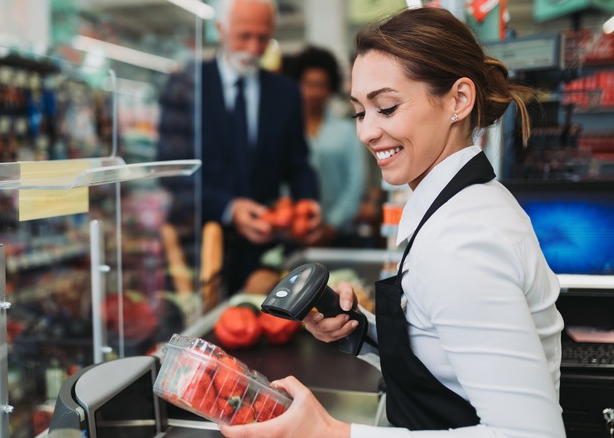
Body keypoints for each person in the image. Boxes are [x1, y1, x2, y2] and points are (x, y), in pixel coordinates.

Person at [220, 7, 565, 438]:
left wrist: (332, 433)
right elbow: (448, 359)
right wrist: (361, 331)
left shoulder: (461, 243)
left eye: (386, 107)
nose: (366, 132)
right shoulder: (459, 206)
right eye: (360, 112)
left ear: (458, 99)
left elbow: (532, 435)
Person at [199, 0, 322, 294]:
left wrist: (309, 201)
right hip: (202, 250)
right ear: (220, 30)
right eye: (244, 36)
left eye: (263, 38)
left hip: (266, 251)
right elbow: (174, 173)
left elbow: (298, 162)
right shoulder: (188, 86)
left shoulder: (286, 93)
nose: (254, 48)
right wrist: (229, 208)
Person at [285, 46, 368, 247]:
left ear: (330, 87)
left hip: (340, 237)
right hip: (294, 235)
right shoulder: (286, 132)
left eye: (321, 84)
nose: (314, 91)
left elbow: (356, 182)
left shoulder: (346, 130)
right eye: (308, 84)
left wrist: (331, 225)